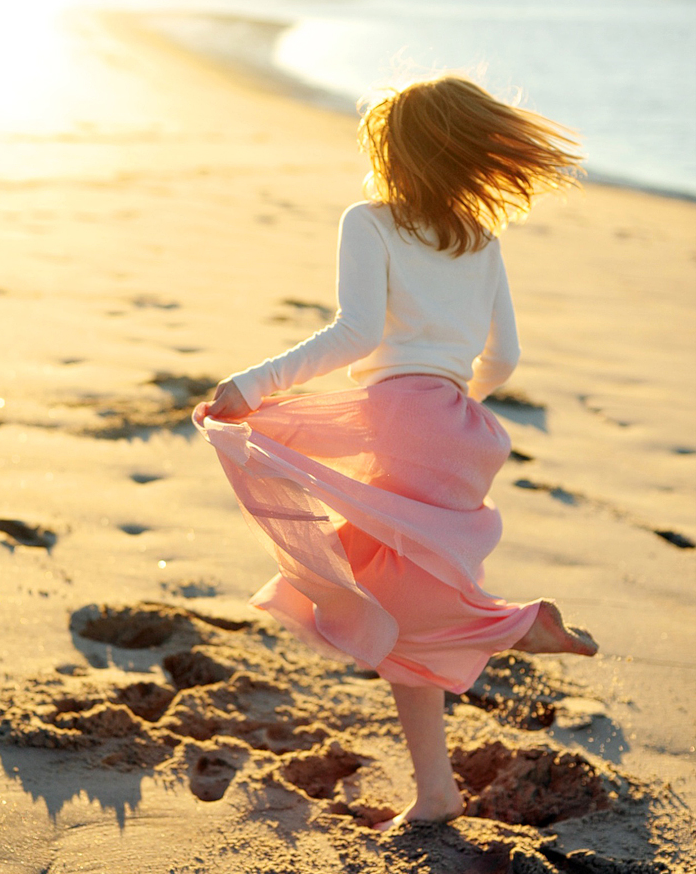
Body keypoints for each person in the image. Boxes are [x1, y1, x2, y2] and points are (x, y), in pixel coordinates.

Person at [193, 75, 597, 828]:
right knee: (398, 605)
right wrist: (457, 394)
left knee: (387, 595)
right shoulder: (481, 238)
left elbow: (355, 334)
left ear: (393, 153)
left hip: (402, 417)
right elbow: (503, 356)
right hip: (463, 427)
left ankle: (515, 626)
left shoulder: (369, 220)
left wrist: (251, 384)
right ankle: (436, 789)